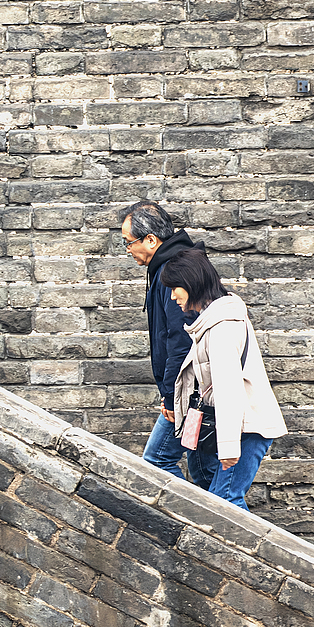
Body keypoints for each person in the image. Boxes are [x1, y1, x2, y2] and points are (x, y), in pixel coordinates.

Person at [162, 249, 286, 509]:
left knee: (226, 504)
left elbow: (229, 388)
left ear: (192, 283)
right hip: (237, 425)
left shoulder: (222, 326)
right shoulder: (211, 320)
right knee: (214, 497)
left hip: (248, 428)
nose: (173, 296)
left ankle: (246, 551)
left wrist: (228, 448)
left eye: (175, 288)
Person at [120, 201, 198, 478]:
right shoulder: (171, 267)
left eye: (128, 242)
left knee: (157, 461)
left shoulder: (173, 274)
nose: (128, 249)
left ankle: (191, 522)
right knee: (204, 471)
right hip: (192, 392)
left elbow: (181, 340)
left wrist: (171, 397)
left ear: (151, 240)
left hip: (188, 393)